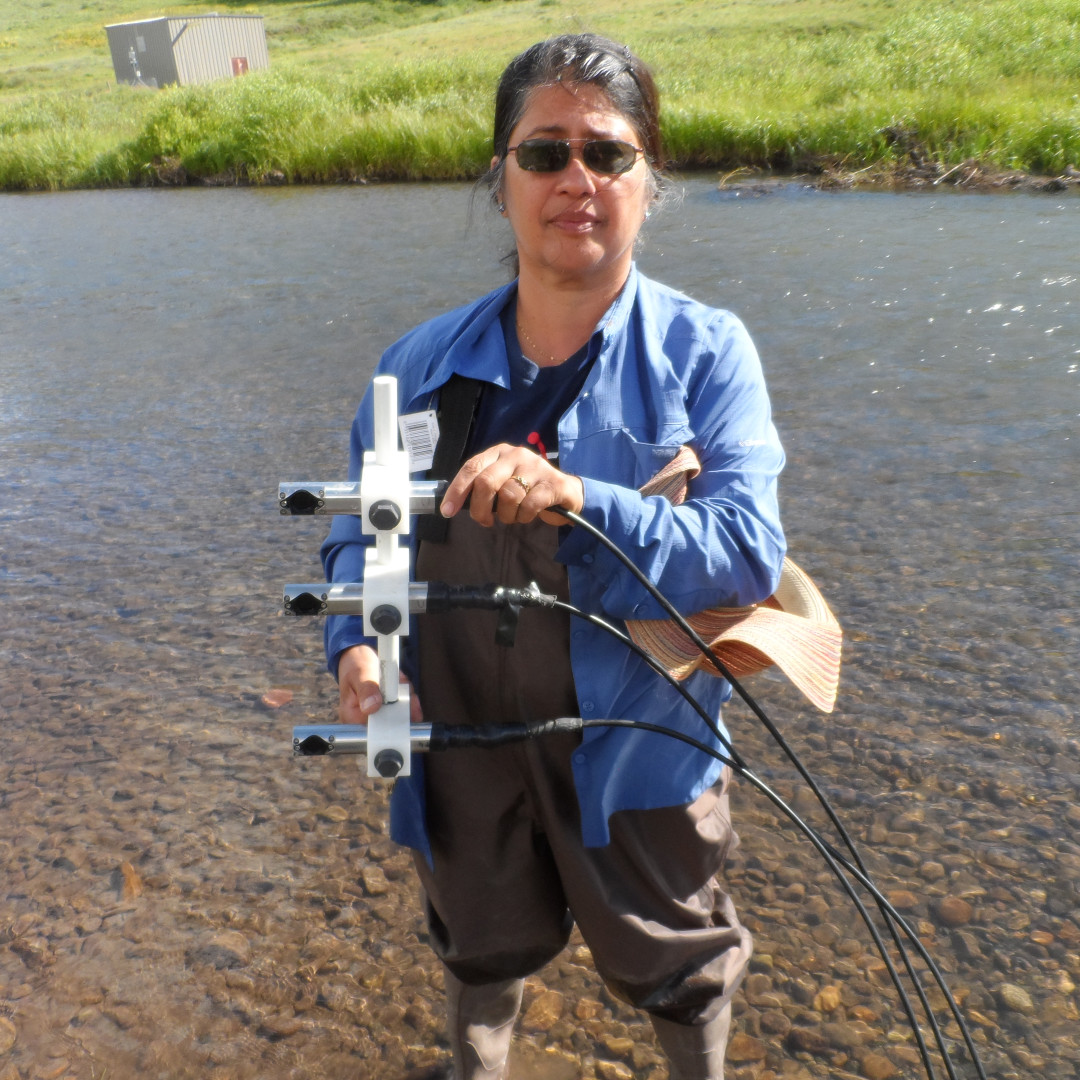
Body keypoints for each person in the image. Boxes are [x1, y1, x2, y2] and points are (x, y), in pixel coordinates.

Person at [320, 33, 786, 1080]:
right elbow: (362, 536)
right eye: (544, 152)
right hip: (457, 746)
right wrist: (355, 646)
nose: (577, 178)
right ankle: (478, 1071)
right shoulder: (415, 365)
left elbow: (748, 553)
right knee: (478, 942)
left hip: (639, 744)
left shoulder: (710, 354)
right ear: (501, 181)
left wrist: (584, 499)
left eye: (608, 153)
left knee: (679, 959)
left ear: (649, 181)